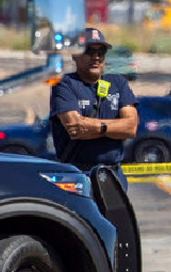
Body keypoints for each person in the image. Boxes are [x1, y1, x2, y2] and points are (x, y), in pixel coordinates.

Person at [49, 27, 138, 188]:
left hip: (113, 176)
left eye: (101, 52)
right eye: (89, 51)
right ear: (75, 54)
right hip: (78, 175)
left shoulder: (117, 83)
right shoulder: (64, 85)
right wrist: (115, 127)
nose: (96, 57)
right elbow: (75, 129)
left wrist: (97, 127)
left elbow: (131, 128)